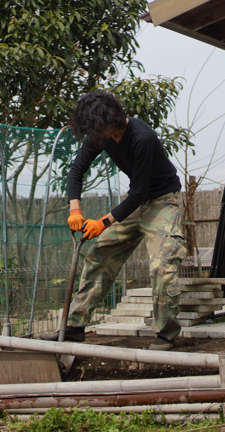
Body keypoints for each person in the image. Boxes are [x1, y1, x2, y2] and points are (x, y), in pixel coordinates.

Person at [41, 90, 186, 351]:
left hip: (164, 201)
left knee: (162, 266)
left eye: (95, 129)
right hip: (137, 203)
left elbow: (139, 192)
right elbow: (77, 170)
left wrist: (103, 222)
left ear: (110, 120)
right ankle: (74, 327)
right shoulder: (101, 136)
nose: (93, 136)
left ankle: (166, 334)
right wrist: (75, 209)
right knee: (99, 254)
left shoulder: (143, 138)